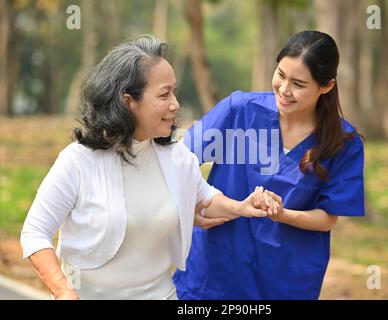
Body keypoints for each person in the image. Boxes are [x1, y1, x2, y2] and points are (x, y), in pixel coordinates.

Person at [20, 35, 277, 300]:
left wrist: (243, 206)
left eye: (174, 92)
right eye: (164, 94)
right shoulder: (77, 161)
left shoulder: (177, 157)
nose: (175, 104)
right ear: (128, 101)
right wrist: (63, 291)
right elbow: (35, 233)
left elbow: (204, 198)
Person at [173, 30, 365, 300]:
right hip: (216, 270)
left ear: (327, 86)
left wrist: (282, 214)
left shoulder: (344, 143)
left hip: (285, 277)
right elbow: (179, 162)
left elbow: (327, 218)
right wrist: (196, 206)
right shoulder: (239, 110)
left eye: (299, 84)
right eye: (281, 74)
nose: (285, 90)